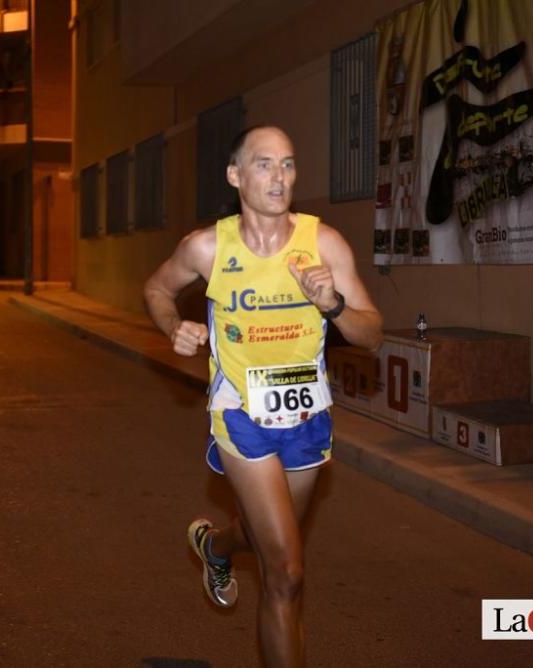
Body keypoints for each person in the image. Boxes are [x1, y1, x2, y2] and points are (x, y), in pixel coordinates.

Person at [143, 126, 382, 667]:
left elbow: (372, 334)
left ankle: (215, 547)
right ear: (235, 175)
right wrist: (172, 327)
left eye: (289, 164)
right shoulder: (208, 247)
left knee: (262, 535)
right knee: (287, 574)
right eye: (265, 164)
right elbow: (156, 289)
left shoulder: (324, 243)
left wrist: (334, 305)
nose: (279, 177)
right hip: (241, 416)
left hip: (306, 418)